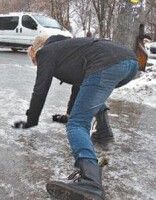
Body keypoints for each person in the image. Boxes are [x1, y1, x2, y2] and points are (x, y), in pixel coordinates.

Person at [13, 35, 138, 200]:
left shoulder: (46, 52)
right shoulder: (71, 48)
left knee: (77, 124)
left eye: (35, 60)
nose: (38, 63)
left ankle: (91, 182)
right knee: (93, 91)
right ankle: (103, 132)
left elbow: (40, 89)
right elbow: (80, 86)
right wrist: (69, 113)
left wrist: (32, 120)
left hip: (106, 64)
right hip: (130, 63)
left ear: (36, 51)